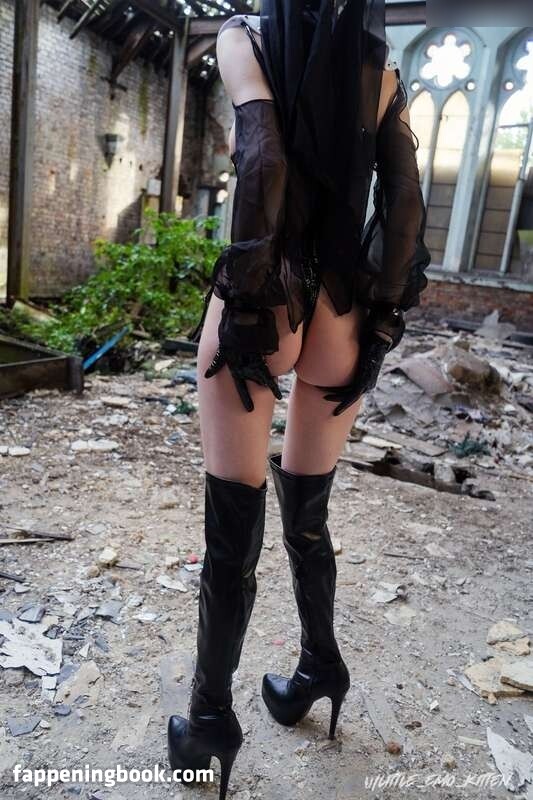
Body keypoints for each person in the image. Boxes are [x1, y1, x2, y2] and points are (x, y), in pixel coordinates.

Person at [167, 2, 431, 798]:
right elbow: (405, 197)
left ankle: (210, 719)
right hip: (343, 312)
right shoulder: (380, 71)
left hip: (269, 294)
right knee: (307, 515)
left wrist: (248, 304)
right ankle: (319, 665)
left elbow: (263, 158)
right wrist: (381, 318)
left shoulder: (243, 38)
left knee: (232, 534)